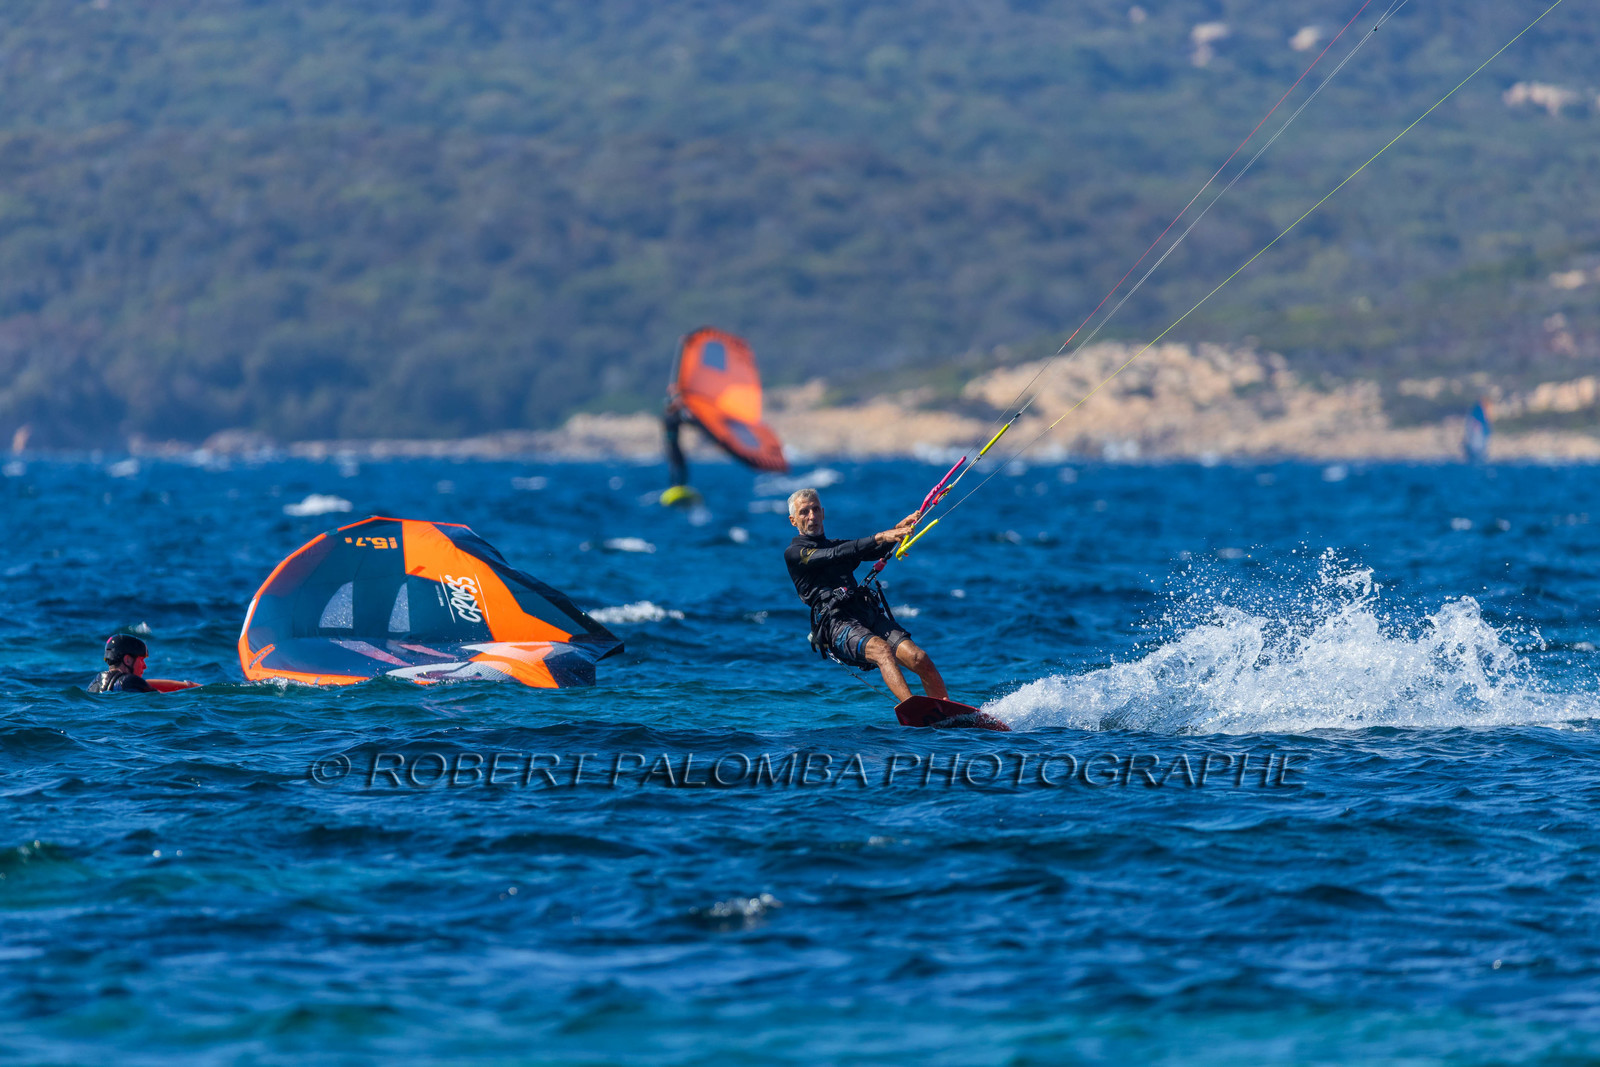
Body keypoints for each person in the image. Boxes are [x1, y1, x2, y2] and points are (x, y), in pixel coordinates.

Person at [783, 488, 948, 703]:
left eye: (815, 509)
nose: (812, 516)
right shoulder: (795, 553)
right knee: (881, 650)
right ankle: (914, 709)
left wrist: (898, 529)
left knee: (920, 659)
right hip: (836, 624)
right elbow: (834, 554)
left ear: (823, 513)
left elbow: (869, 551)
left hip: (864, 612)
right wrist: (881, 535)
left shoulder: (837, 545)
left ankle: (948, 712)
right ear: (793, 520)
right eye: (804, 512)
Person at [88, 634, 197, 693]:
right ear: (127, 660)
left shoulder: (94, 683)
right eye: (141, 660)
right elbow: (163, 701)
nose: (145, 666)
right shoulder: (131, 681)